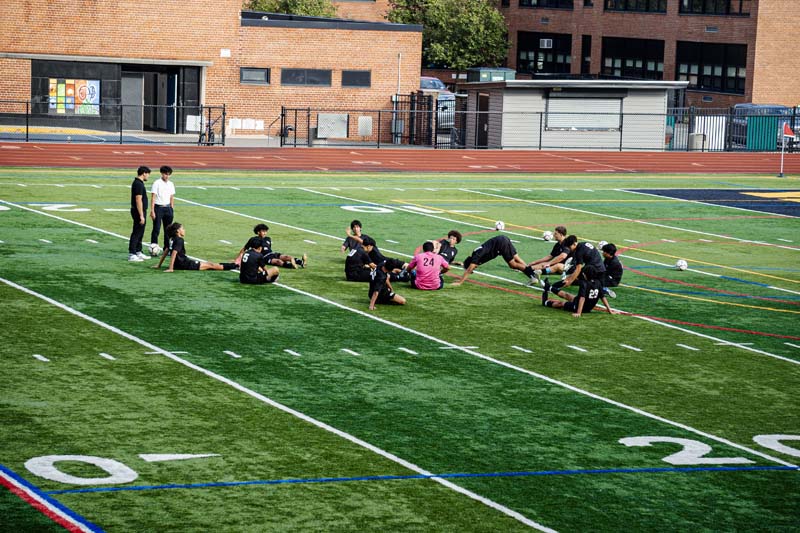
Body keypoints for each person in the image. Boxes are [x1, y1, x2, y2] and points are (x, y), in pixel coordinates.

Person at [153, 222, 237, 272]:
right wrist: (171, 268)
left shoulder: (172, 239)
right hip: (184, 264)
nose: (184, 230)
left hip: (179, 264)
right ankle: (235, 266)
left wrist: (159, 265)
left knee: (208, 264)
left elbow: (166, 252)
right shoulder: (179, 240)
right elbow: (174, 254)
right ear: (178, 231)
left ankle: (233, 265)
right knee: (210, 265)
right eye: (183, 228)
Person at [451, 235, 529, 286]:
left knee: (513, 265)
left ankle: (531, 273)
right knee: (517, 258)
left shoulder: (476, 257)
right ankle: (532, 273)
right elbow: (469, 268)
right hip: (501, 240)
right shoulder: (475, 257)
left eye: (474, 268)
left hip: (500, 244)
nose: (475, 268)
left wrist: (460, 282)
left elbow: (469, 270)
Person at [235, 224, 306, 269]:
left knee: (287, 257)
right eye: (263, 231)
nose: (265, 233)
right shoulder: (253, 239)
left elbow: (269, 249)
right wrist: (237, 259)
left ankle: (302, 263)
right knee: (278, 262)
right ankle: (291, 266)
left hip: (272, 254)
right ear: (258, 232)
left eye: (266, 231)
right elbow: (244, 249)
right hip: (264, 257)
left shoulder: (268, 239)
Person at [541, 275, 613, 318]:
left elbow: (582, 298)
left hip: (581, 307)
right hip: (586, 305)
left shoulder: (584, 284)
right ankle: (548, 287)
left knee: (561, 304)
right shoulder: (597, 282)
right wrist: (610, 310)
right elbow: (603, 297)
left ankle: (546, 302)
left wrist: (579, 312)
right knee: (567, 295)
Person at [149, 165, 175, 251]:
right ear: (162, 173)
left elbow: (171, 197)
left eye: (169, 174)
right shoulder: (157, 183)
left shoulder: (171, 184)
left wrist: (171, 208)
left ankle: (166, 248)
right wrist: (152, 210)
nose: (167, 176)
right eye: (165, 174)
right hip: (158, 208)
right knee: (156, 228)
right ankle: (154, 246)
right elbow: (153, 197)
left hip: (168, 208)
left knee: (168, 230)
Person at [128, 166, 151, 262]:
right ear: (144, 173)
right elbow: (138, 200)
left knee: (140, 232)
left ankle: (138, 251)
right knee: (137, 232)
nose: (148, 177)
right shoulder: (138, 184)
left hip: (140, 211)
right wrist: (141, 215)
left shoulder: (139, 183)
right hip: (138, 211)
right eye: (148, 174)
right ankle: (132, 254)